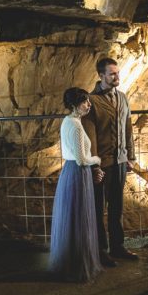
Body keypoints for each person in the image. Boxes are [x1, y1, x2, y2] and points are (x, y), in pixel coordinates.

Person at [82, 57, 139, 267]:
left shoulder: (123, 98)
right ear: (101, 75)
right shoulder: (91, 101)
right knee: (99, 208)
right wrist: (95, 165)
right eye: (112, 74)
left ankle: (118, 246)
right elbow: (90, 135)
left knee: (117, 206)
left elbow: (128, 128)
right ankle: (100, 250)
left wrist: (130, 156)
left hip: (120, 161)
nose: (117, 77)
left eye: (118, 73)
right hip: (102, 164)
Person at [48, 88, 104, 282]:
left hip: (70, 172)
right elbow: (81, 159)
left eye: (88, 101)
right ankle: (77, 265)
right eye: (85, 102)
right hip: (77, 173)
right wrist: (96, 159)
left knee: (72, 218)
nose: (89, 105)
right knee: (79, 218)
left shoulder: (67, 122)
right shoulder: (76, 126)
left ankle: (70, 261)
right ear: (74, 105)